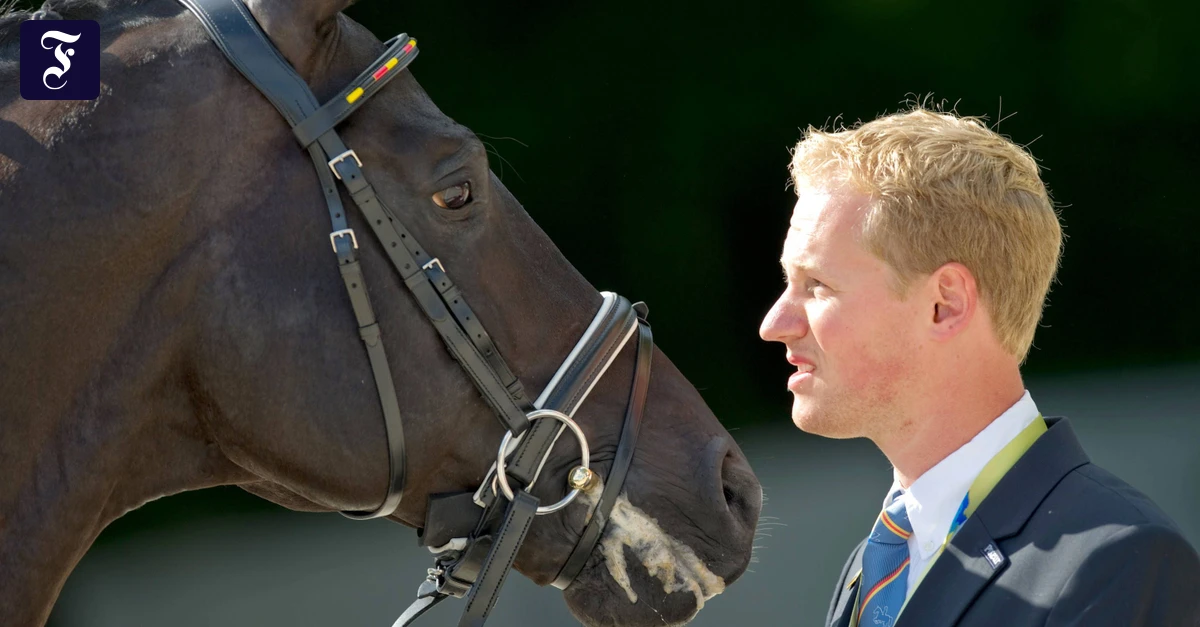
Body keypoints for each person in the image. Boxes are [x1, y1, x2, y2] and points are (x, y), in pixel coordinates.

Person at [758, 106, 1200, 626]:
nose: (774, 323)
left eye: (817, 285)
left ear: (945, 304)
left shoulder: (1121, 563)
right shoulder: (877, 561)